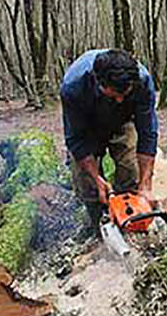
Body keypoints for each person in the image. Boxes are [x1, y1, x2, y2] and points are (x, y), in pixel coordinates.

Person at [60, 48, 159, 238]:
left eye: (124, 93)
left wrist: (145, 184)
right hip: (87, 124)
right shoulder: (73, 87)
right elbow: (76, 139)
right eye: (114, 94)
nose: (120, 99)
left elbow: (148, 133)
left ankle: (133, 227)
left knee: (130, 170)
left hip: (123, 120)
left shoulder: (143, 81)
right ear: (99, 82)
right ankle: (99, 228)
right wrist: (97, 179)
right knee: (86, 183)